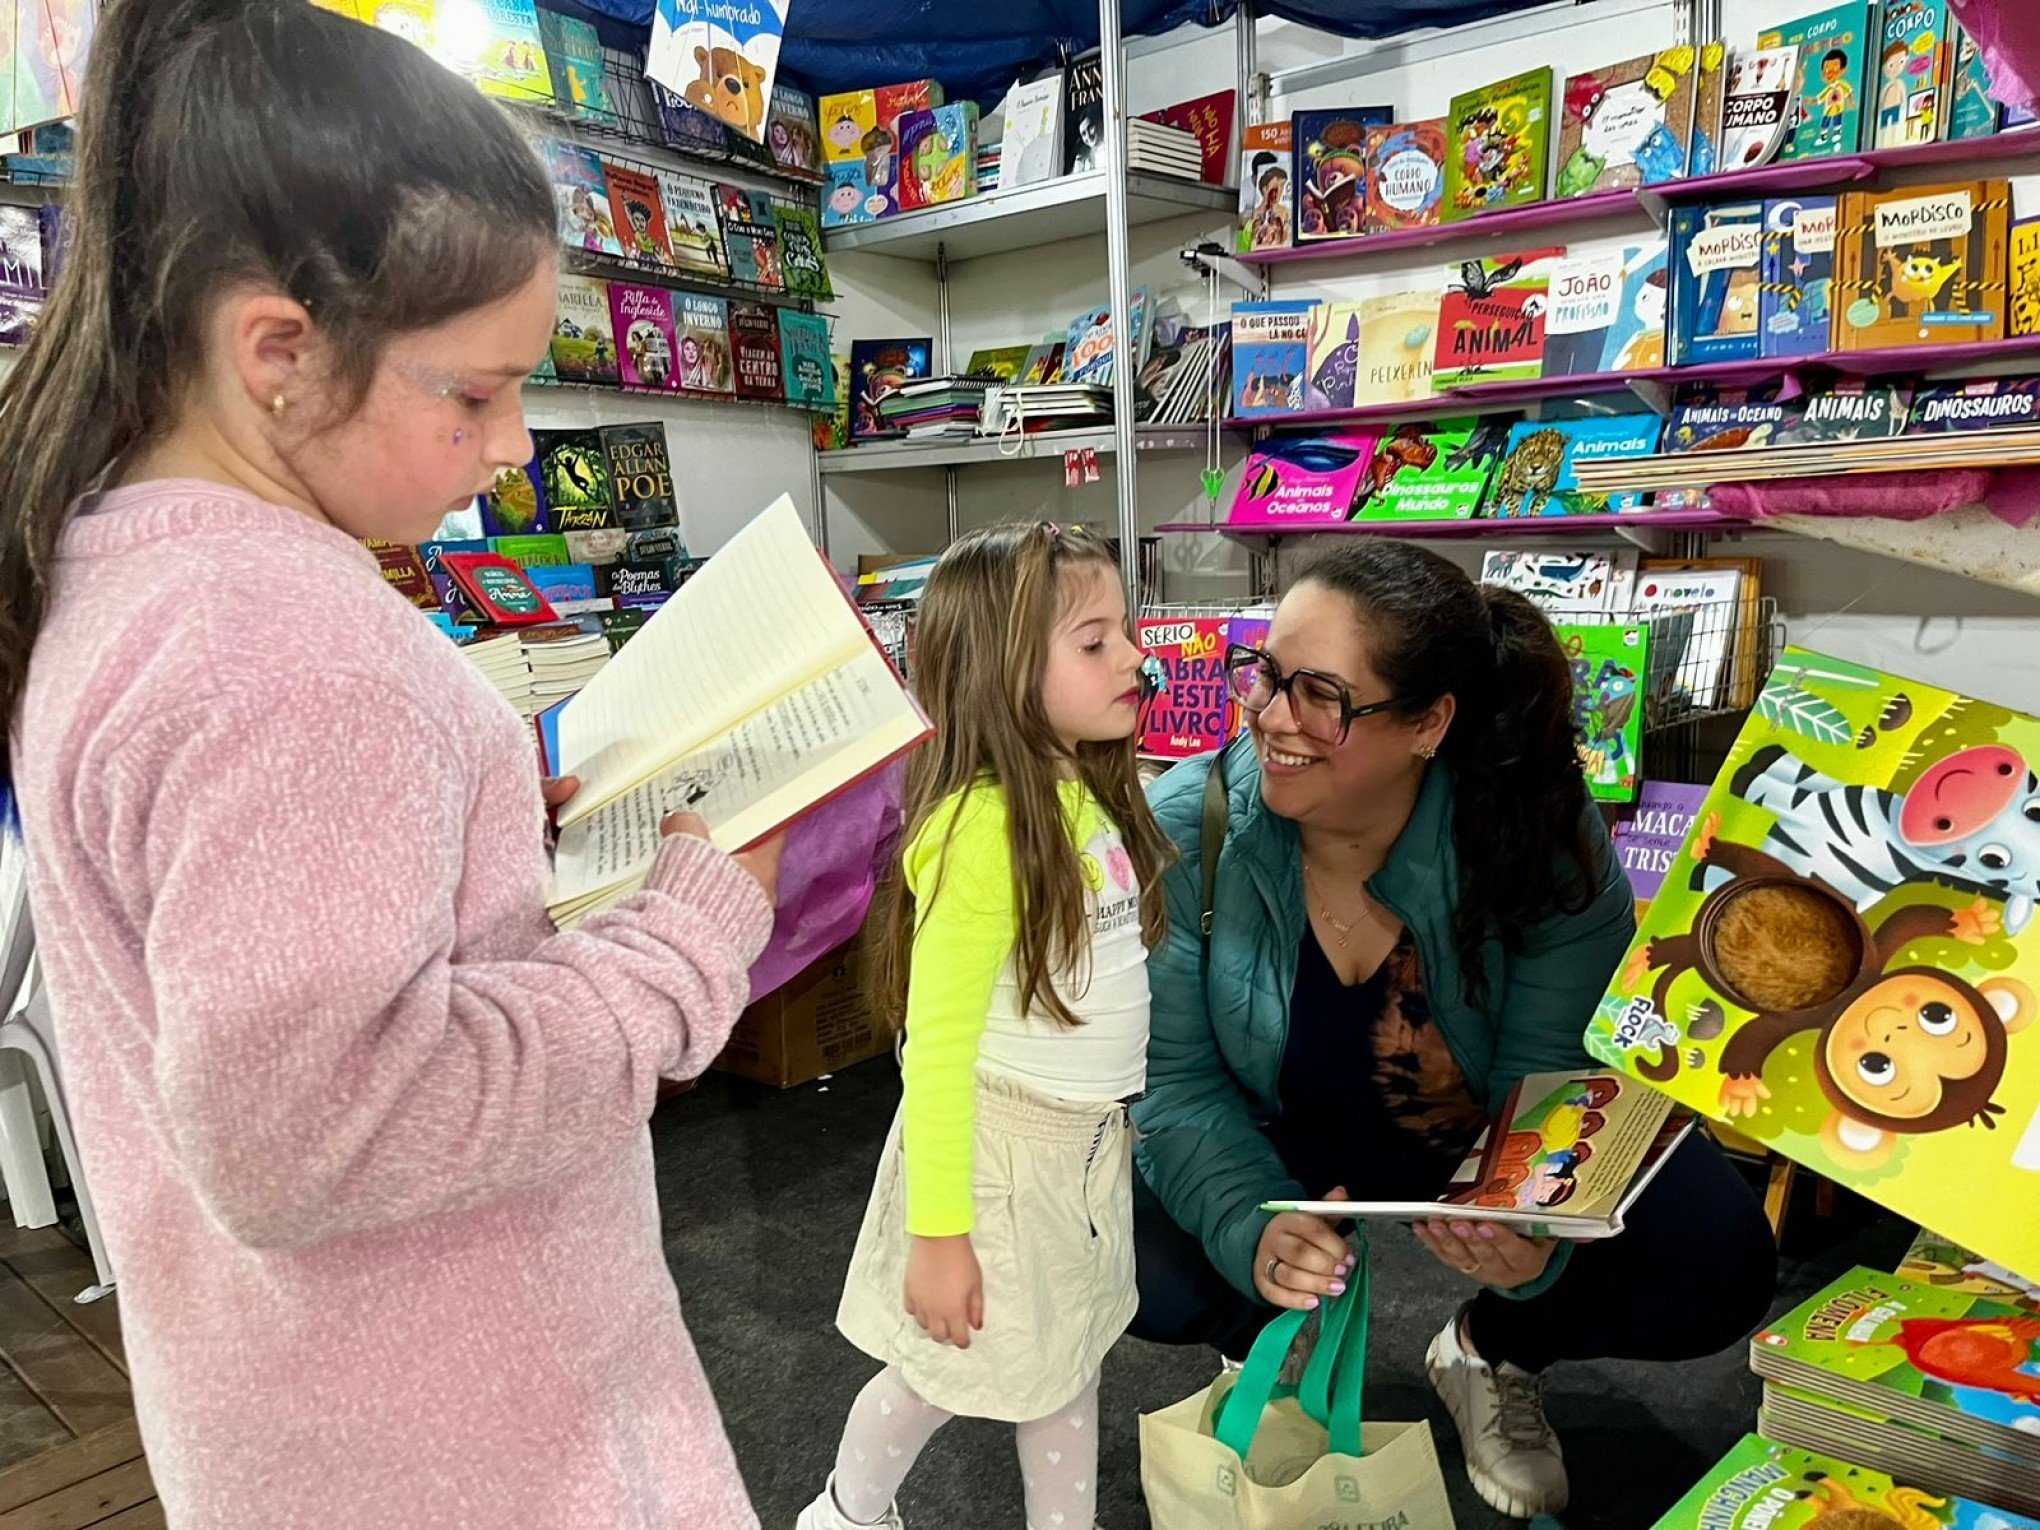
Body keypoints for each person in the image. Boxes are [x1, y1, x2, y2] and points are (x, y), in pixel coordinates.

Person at [0, 3, 781, 1525]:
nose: (510, 448)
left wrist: (483, 843)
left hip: (306, 1418)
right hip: (475, 1436)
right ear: (279, 352)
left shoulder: (123, 562)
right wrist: (683, 946)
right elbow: (320, 1129)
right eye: (474, 393)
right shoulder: (292, 644)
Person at [1130, 541, 1779, 1520]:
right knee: (1097, 1227)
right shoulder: (1191, 825)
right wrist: (1245, 1229)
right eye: (1265, 674)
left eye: (1322, 695)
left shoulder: (1534, 832)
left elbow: (1556, 1085)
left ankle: (1488, 1353)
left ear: (1430, 722)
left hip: (1469, 1134)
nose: (1270, 718)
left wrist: (1529, 1235)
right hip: (1278, 1137)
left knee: (1713, 1258)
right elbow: (1177, 1086)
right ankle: (1270, 1323)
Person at [801, 524, 1172, 1530]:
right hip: (998, 1160)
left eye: (1124, 632)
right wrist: (939, 1235)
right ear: (1003, 674)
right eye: (1094, 642)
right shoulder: (982, 828)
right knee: (940, 1369)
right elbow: (940, 1051)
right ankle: (845, 1513)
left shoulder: (1074, 794)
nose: (1133, 658)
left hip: (1079, 1147)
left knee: (1063, 1360)